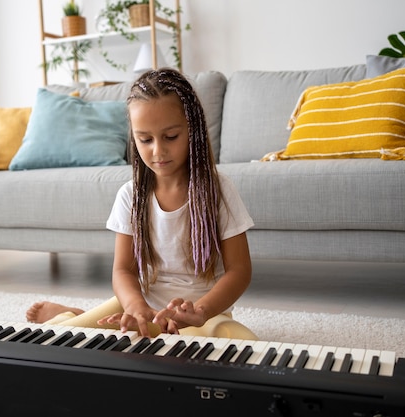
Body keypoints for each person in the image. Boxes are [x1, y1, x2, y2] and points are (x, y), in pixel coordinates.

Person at [26, 68, 258, 341]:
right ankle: (70, 314)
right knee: (63, 338)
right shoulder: (130, 196)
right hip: (142, 310)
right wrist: (136, 306)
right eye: (145, 140)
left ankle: (90, 317)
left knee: (245, 344)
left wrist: (202, 310)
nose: (158, 151)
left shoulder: (219, 191)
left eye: (171, 137)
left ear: (192, 130)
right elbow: (123, 270)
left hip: (204, 316)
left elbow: (239, 271)